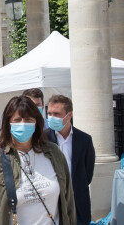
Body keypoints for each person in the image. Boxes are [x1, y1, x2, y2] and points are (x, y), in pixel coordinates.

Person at [0, 95, 75, 225]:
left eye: (28, 120)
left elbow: (69, 203)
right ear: (8, 123)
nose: (23, 124)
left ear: (36, 122)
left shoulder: (54, 153)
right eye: (17, 120)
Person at [46, 95, 95, 225]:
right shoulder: (42, 139)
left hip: (77, 202)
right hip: (51, 203)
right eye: (49, 113)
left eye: (57, 114)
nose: (51, 117)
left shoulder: (84, 140)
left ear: (69, 115)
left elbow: (88, 172)